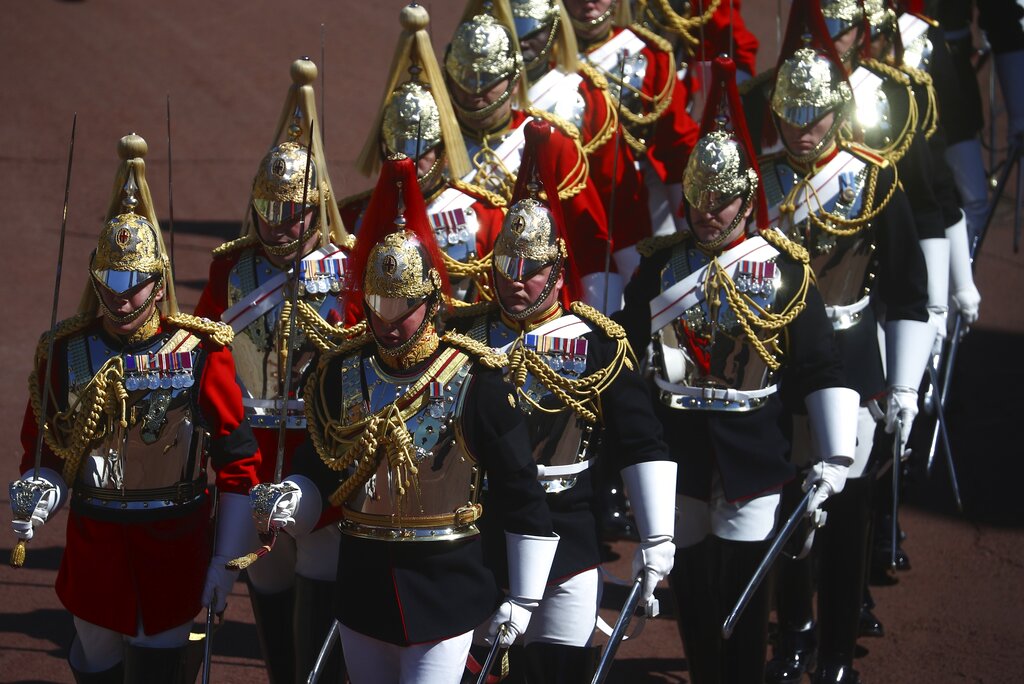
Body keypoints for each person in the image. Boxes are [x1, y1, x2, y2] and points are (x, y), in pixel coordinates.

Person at [248, 154, 557, 684]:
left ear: (433, 301)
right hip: (364, 583)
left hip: (448, 585)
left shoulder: (477, 379)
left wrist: (524, 597)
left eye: (403, 306)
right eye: (377, 303)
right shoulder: (338, 374)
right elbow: (323, 468)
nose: (389, 321)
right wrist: (291, 498)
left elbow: (518, 490)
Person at [615, 55, 859, 684]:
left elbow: (817, 365)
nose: (708, 213)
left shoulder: (783, 269)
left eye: (722, 202)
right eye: (699, 198)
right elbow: (628, 362)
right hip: (679, 449)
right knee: (693, 592)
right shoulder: (657, 269)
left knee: (747, 597)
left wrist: (834, 454)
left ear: (746, 202)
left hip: (753, 447)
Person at [10, 134, 261, 682]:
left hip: (174, 543)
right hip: (95, 544)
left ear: (157, 281)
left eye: (135, 284)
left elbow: (238, 461)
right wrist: (41, 491)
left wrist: (226, 561)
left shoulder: (198, 350)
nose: (122, 298)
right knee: (96, 663)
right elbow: (45, 447)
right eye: (111, 282)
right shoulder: (65, 350)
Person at [450, 119, 677, 682]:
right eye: (506, 268)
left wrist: (657, 541)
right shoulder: (462, 336)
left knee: (560, 668)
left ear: (557, 272)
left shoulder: (597, 341)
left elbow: (638, 439)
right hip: (478, 527)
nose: (516, 282)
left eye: (532, 271)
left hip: (566, 530)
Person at [758, 8, 934, 680]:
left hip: (853, 361)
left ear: (838, 112)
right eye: (791, 115)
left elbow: (909, 290)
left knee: (844, 512)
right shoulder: (761, 184)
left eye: (815, 114)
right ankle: (794, 633)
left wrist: (907, 384)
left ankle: (835, 654)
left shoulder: (875, 179)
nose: (803, 129)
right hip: (777, 366)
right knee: (786, 511)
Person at [193, 57, 351, 683]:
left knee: (320, 586)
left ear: (316, 210)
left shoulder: (348, 266)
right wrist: (228, 440)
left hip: (324, 452)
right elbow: (209, 355)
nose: (280, 224)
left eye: (294, 212)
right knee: (268, 580)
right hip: (252, 448)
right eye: (269, 209)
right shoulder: (230, 271)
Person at [442, 7, 616, 313]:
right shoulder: (436, 146)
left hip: (532, 306)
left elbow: (588, 240)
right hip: (450, 305)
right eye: (466, 79)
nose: (476, 91)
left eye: (489, 79)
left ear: (511, 77)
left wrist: (603, 315)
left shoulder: (551, 140)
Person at [341, 3, 506, 305]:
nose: (409, 162)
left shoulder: (486, 215)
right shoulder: (350, 218)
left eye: (422, 152)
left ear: (443, 149)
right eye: (398, 151)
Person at [505, 0, 655, 303]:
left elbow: (614, 195)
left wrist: (632, 284)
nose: (524, 42)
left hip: (572, 240)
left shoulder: (583, 92)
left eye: (534, 31)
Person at [565, 0, 700, 246]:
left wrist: (691, 228)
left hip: (641, 202)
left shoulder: (649, 52)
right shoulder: (545, 68)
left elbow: (679, 146)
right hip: (574, 212)